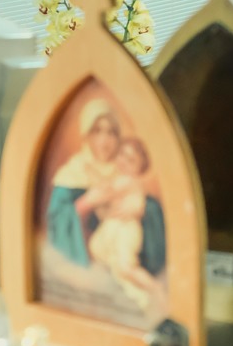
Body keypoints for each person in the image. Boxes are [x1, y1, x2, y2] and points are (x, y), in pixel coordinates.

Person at [46, 99, 166, 276]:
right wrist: (86, 203)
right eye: (97, 131)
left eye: (111, 132)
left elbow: (153, 212)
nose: (104, 140)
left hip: (122, 260)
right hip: (87, 269)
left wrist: (141, 210)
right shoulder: (73, 172)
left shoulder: (126, 170)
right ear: (86, 134)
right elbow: (56, 221)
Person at [87, 137, 156, 309]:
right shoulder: (120, 178)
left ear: (140, 168)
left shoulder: (129, 180)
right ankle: (140, 297)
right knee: (116, 267)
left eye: (131, 160)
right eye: (122, 155)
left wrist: (92, 174)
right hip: (114, 229)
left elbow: (108, 191)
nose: (124, 161)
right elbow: (105, 210)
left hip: (126, 230)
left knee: (126, 267)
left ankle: (156, 289)